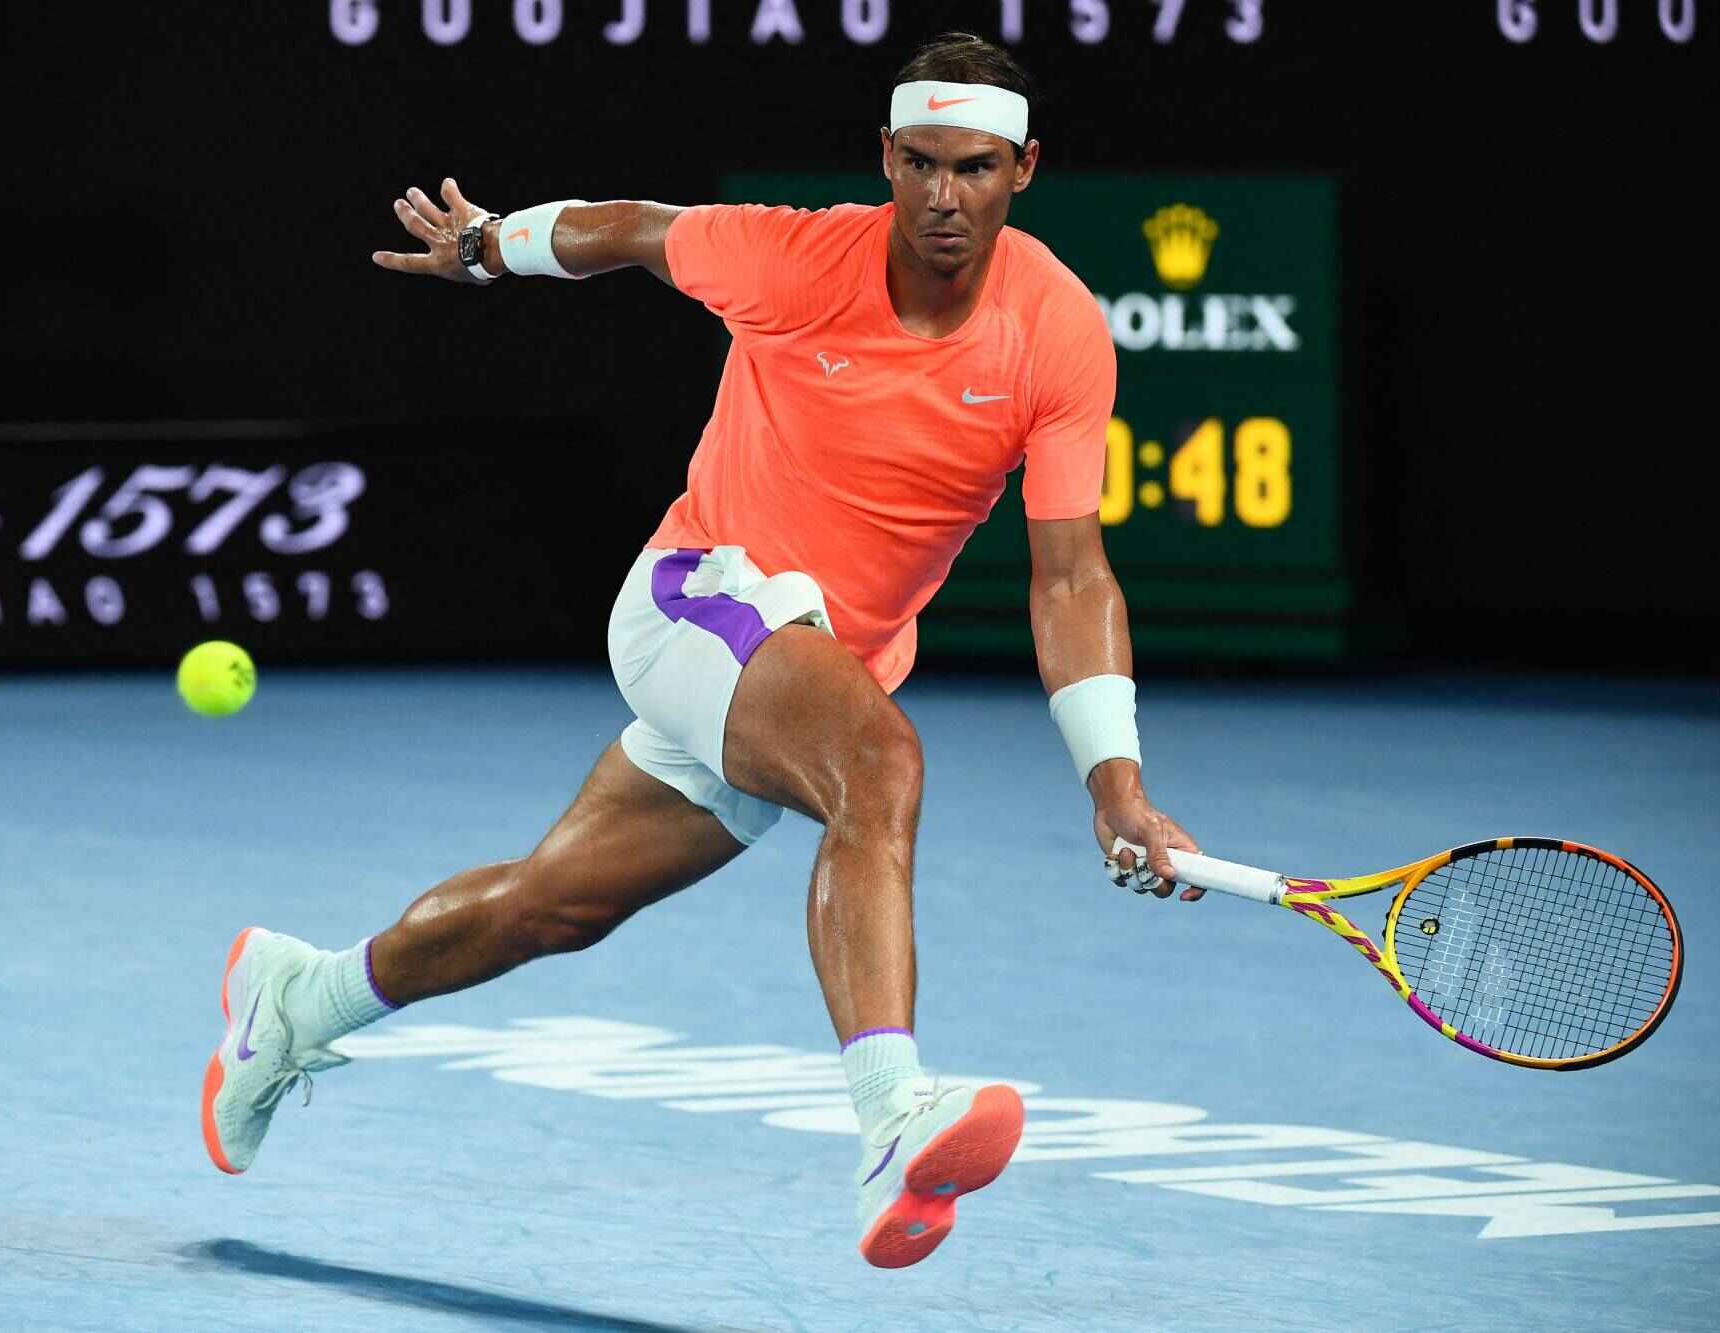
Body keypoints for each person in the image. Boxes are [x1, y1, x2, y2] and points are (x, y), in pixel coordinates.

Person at [201, 31, 1201, 1270]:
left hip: (803, 666)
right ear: (883, 157)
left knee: (549, 905)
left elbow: (1069, 572)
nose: (945, 197)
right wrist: (486, 245)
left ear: (1025, 168)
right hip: (697, 599)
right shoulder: (794, 256)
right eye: (923, 163)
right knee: (877, 769)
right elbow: (622, 226)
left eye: (977, 168)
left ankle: (301, 996)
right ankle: (892, 1112)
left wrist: (1115, 782)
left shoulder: (1054, 328)